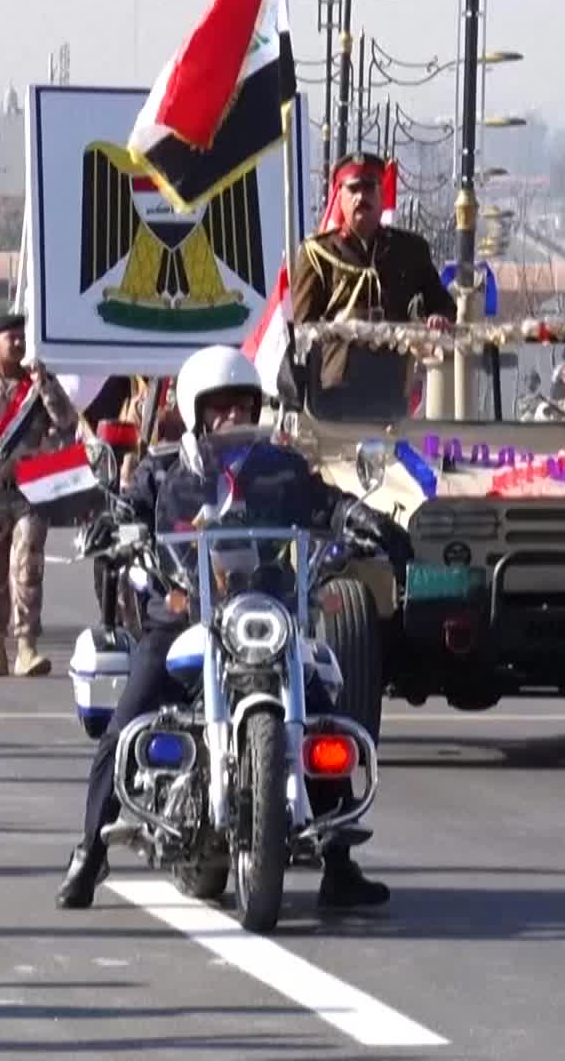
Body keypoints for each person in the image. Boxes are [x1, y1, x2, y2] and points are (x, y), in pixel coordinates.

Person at [55, 345, 410, 912]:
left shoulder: (282, 470)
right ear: (197, 413)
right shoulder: (165, 471)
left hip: (267, 615)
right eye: (220, 409)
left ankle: (339, 864)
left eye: (242, 407)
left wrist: (362, 519)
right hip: (183, 619)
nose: (233, 420)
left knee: (324, 711)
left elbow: (326, 503)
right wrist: (113, 525)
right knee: (126, 724)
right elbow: (129, 508)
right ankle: (88, 853)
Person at [0, 312, 86, 678]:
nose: (19, 344)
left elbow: (68, 426)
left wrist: (44, 384)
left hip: (29, 493)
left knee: (26, 570)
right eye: (11, 338)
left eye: (23, 338)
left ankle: (26, 646)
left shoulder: (39, 384)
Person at [291, 152, 455, 419]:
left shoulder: (409, 250)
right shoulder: (318, 252)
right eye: (352, 189)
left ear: (381, 194)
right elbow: (303, 325)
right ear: (339, 196)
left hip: (389, 384)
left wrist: (438, 317)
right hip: (335, 387)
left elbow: (443, 303)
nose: (361, 198)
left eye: (369, 188)